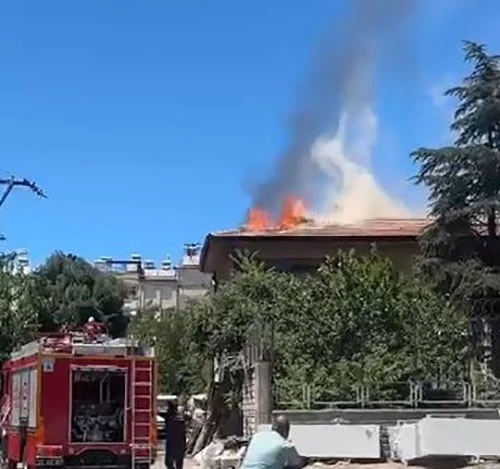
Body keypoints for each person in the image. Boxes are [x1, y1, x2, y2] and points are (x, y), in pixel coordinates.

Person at [165, 400, 186, 469]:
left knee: (168, 463)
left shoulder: (169, 418)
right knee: (179, 463)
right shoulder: (181, 419)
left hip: (171, 444)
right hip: (180, 444)